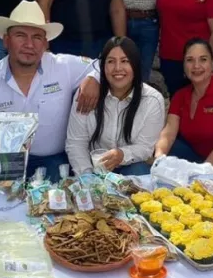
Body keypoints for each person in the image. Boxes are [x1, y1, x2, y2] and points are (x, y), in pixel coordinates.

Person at [0, 1, 100, 181]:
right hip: (3, 163)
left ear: (46, 43)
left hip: (54, 161)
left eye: (37, 37)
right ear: (6, 40)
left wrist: (94, 79)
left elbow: (103, 65)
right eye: (20, 35)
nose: (29, 44)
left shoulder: (64, 66)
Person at [66, 36, 165, 175]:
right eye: (111, 61)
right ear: (103, 67)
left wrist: (121, 155)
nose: (118, 68)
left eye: (125, 61)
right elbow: (76, 142)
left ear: (135, 65)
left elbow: (145, 147)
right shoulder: (87, 95)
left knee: (139, 171)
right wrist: (87, 177)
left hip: (129, 165)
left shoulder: (152, 100)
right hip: (93, 166)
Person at [154, 38, 213, 165]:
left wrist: (201, 173)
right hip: (196, 157)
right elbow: (168, 134)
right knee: (168, 149)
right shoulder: (180, 95)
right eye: (190, 60)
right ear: (184, 65)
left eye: (203, 59)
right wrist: (159, 158)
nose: (196, 66)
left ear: (212, 63)